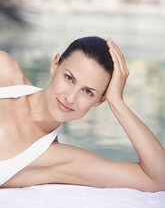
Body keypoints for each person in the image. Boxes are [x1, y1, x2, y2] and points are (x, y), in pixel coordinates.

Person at [0, 36, 164, 191]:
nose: (70, 98)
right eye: (69, 78)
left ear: (100, 101)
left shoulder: (58, 160)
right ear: (55, 65)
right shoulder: (5, 72)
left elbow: (159, 178)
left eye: (88, 92)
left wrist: (117, 102)